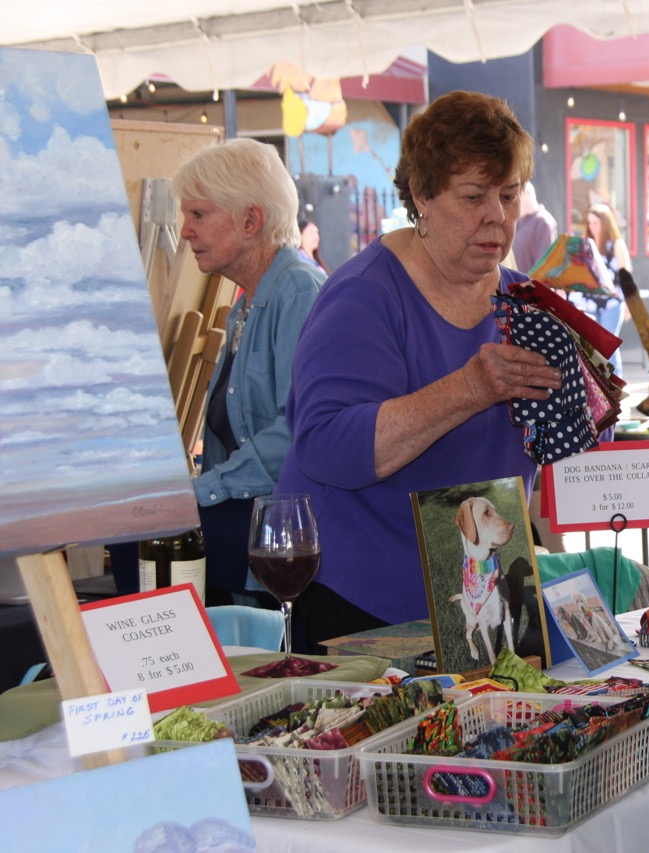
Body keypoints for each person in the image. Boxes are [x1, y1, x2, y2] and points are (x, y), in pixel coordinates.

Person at [276, 91, 562, 654]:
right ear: (422, 196)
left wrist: (584, 402)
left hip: (483, 591)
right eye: (474, 196)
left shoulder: (525, 301)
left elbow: (554, 440)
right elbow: (326, 444)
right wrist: (470, 389)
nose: (497, 217)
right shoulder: (365, 295)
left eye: (508, 196)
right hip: (362, 601)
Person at [171, 139, 325, 608]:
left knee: (150, 537)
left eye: (198, 215)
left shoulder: (297, 290)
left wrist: (200, 492)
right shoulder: (249, 299)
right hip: (257, 515)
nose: (185, 232)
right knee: (146, 532)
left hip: (289, 523)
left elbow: (297, 432)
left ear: (251, 220)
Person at [575, 203, 631, 376]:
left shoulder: (616, 245)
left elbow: (626, 276)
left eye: (596, 223)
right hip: (589, 303)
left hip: (612, 304)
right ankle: (600, 389)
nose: (592, 227)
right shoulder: (586, 245)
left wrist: (630, 305)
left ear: (605, 224)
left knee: (608, 347)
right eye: (589, 223)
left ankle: (615, 389)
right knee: (593, 348)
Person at [512, 182, 558, 273]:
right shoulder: (522, 221)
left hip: (531, 285)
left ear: (525, 195)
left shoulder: (543, 221)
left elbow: (544, 264)